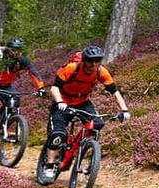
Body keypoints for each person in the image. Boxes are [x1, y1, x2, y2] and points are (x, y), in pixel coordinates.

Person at [41, 46, 130, 176]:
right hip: (63, 102)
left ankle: (77, 148)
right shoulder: (72, 68)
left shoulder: (101, 72)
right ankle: (49, 165)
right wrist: (59, 101)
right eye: (90, 61)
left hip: (83, 102)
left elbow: (115, 92)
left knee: (97, 123)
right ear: (84, 60)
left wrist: (124, 110)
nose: (93, 64)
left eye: (97, 61)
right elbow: (54, 88)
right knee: (57, 135)